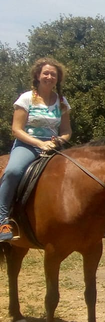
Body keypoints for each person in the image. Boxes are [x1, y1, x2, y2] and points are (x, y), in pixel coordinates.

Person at [0, 58, 72, 242]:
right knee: (12, 171)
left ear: (58, 78)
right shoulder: (26, 99)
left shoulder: (62, 101)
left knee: (78, 172)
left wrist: (59, 140)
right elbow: (16, 130)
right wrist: (40, 144)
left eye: (53, 74)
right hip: (28, 145)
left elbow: (66, 131)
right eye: (46, 73)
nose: (49, 77)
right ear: (38, 76)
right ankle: (2, 221)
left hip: (53, 146)